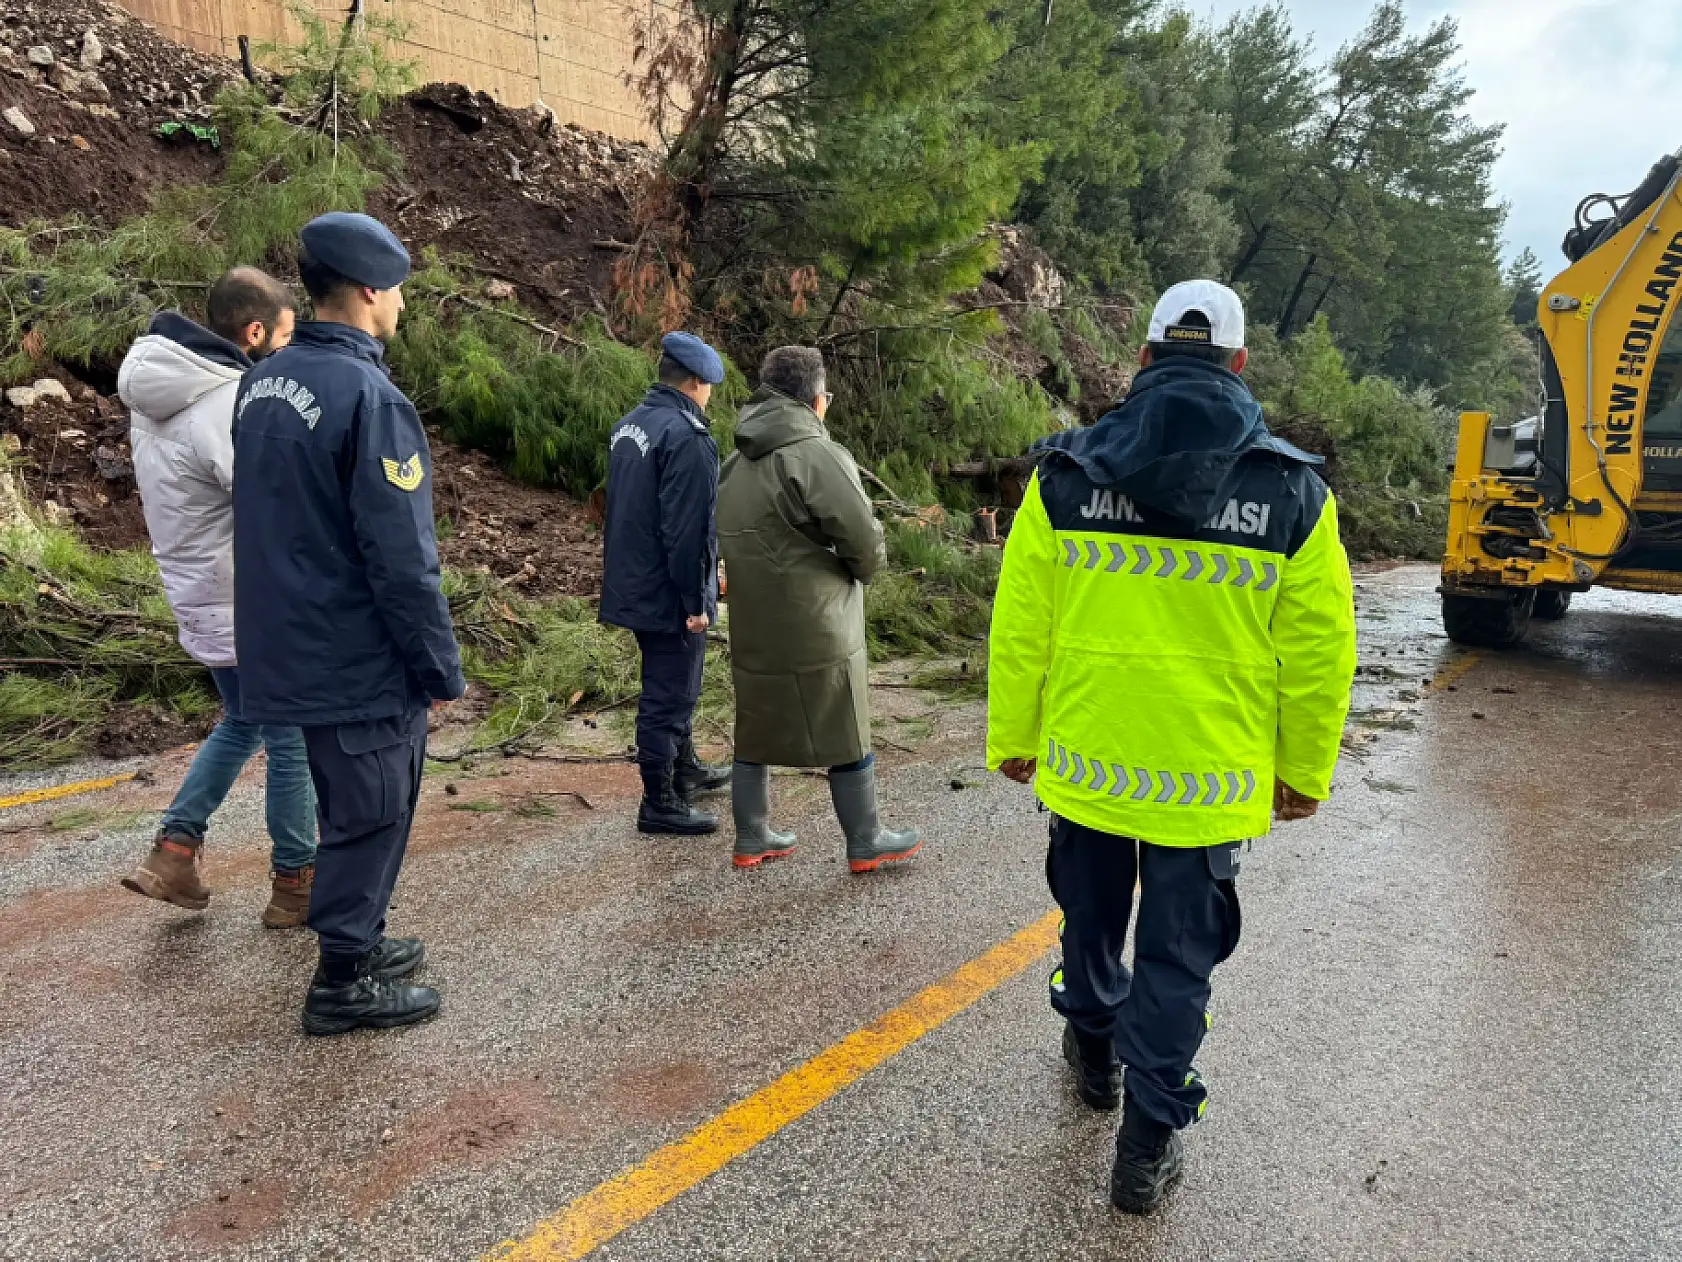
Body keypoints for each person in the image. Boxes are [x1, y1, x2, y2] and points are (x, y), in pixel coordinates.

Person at [986, 280, 1356, 1214]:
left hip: (1087, 764)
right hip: (1208, 782)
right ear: (1239, 364)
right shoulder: (1291, 491)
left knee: (1091, 918)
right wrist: (1302, 770)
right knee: (1177, 960)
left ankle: (1093, 1053)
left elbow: (1021, 625)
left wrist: (1017, 737)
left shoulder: (1065, 476)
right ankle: (1144, 1149)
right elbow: (1319, 652)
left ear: (1143, 358)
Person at [232, 212, 464, 1037]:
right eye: (397, 287)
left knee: (345, 799)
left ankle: (357, 941)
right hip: (353, 652)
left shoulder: (265, 379)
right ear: (370, 290)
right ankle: (341, 978)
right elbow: (401, 558)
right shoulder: (370, 396)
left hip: (288, 638)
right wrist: (436, 668)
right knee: (371, 809)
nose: (401, 302)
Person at [118, 268, 319, 929]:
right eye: (286, 339)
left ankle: (175, 849)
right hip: (245, 597)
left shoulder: (157, 392)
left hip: (199, 593)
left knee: (245, 719)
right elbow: (272, 501)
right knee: (291, 734)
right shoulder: (225, 402)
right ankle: (297, 882)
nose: (287, 355)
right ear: (255, 333)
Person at [716, 346, 921, 873]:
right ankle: (866, 838)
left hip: (754, 619)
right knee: (843, 720)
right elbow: (860, 535)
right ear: (816, 399)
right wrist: (866, 569)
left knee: (755, 723)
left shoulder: (734, 463)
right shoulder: (817, 454)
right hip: (819, 620)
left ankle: (751, 835)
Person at [601, 331, 732, 836]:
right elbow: (689, 530)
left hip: (634, 582)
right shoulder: (688, 437)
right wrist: (696, 599)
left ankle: (686, 769)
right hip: (667, 591)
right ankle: (660, 802)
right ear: (697, 382)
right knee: (669, 695)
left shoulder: (631, 427)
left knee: (673, 684)